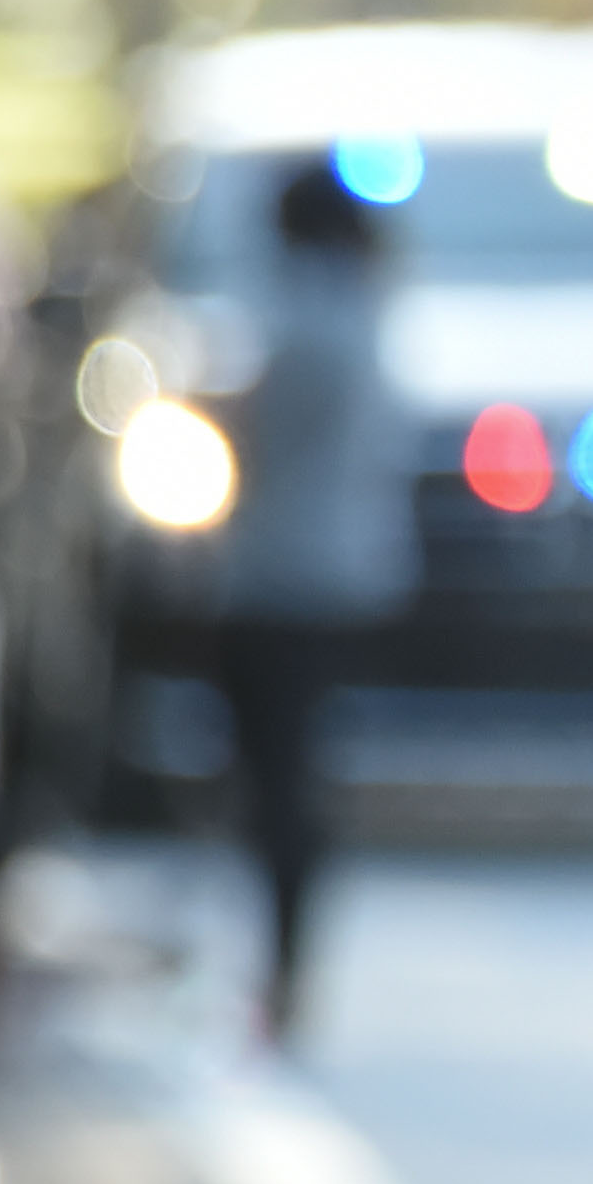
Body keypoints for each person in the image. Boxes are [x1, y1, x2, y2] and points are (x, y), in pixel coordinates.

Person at [203, 155, 415, 1045]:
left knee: (279, 781)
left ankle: (281, 972)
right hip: (344, 571)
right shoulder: (370, 311)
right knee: (291, 774)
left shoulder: (311, 321)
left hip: (283, 576)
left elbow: (261, 431)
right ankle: (279, 970)